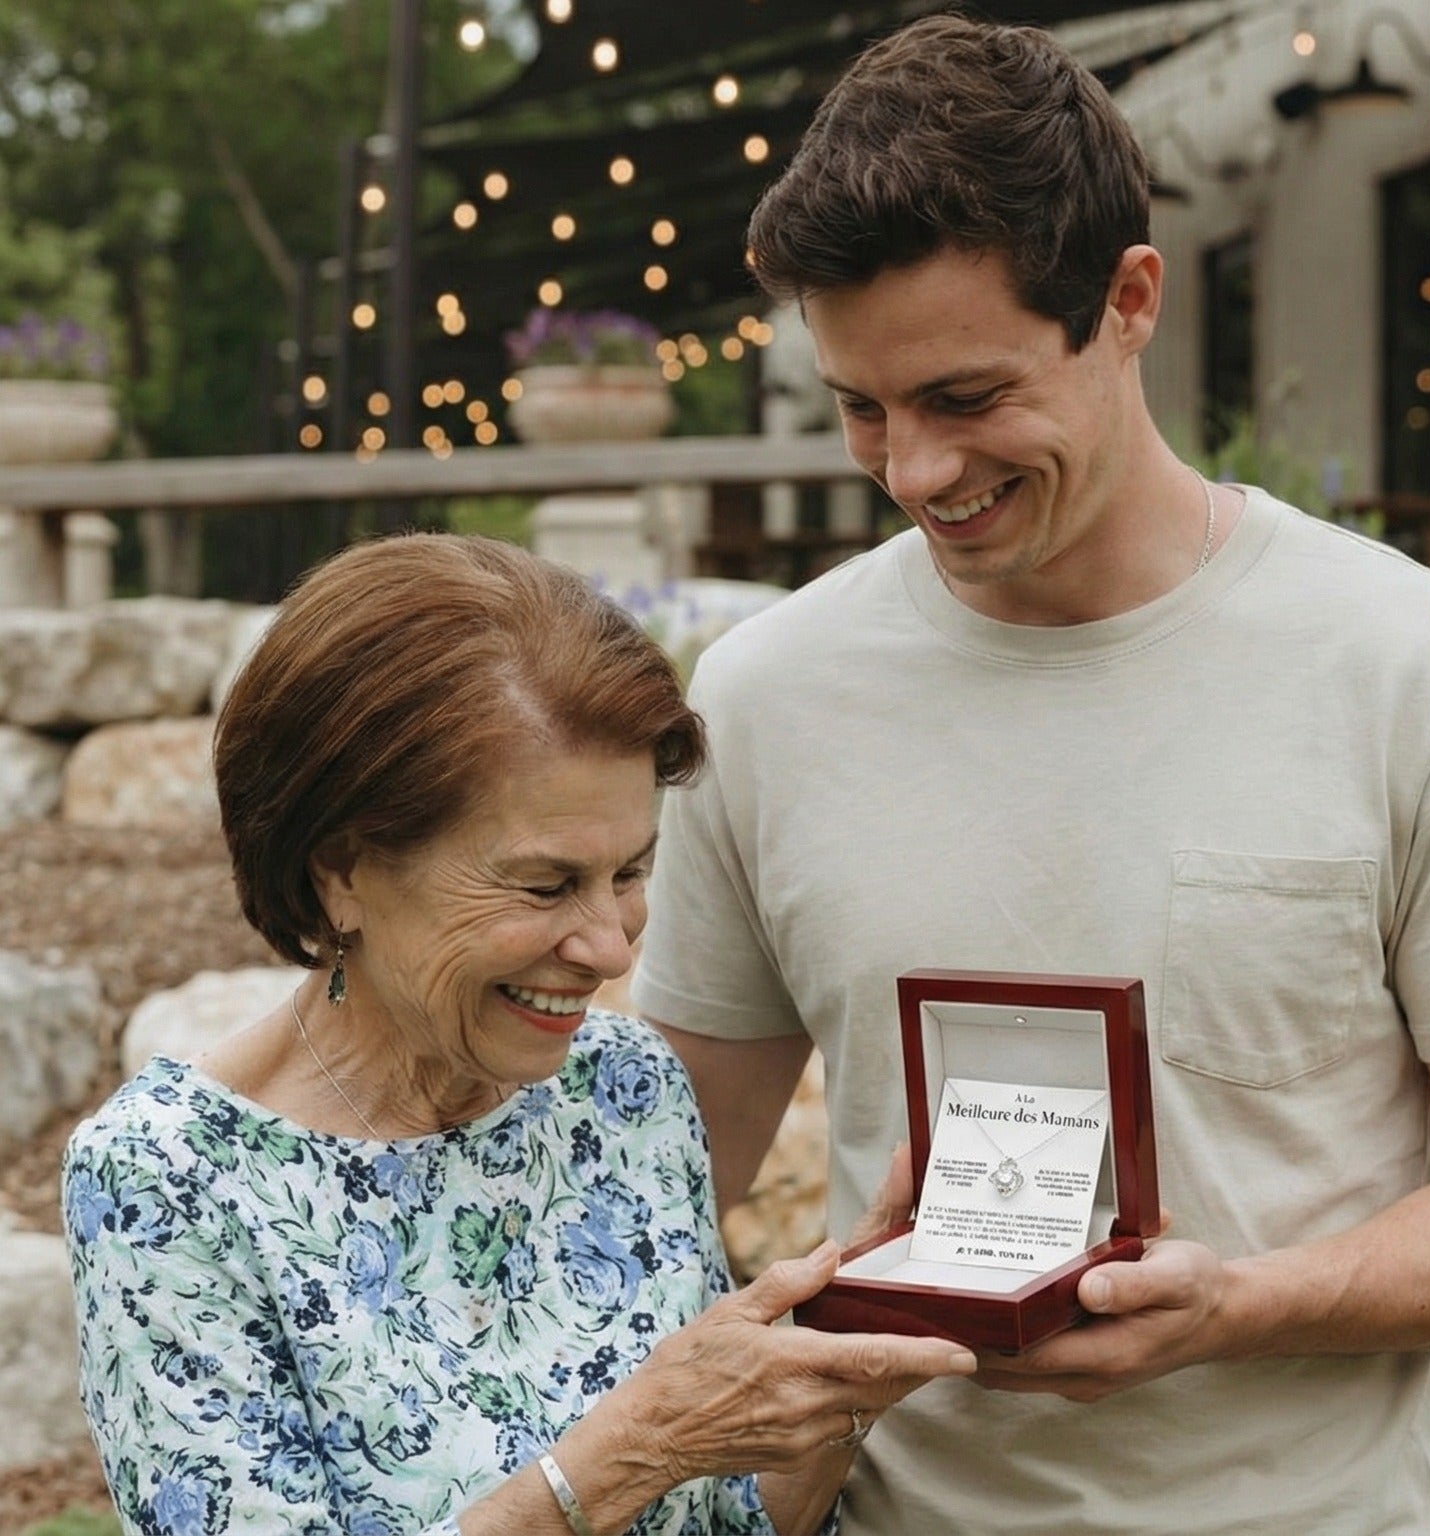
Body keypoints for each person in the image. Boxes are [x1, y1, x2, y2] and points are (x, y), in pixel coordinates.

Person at [630, 14, 1430, 1535]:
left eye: (967, 401)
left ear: (1128, 302)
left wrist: (1242, 1304)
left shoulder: (1424, 671)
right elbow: (655, 1189)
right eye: (865, 407)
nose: (916, 472)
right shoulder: (766, 698)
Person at [60, 532, 975, 1536]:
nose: (610, 948)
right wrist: (625, 1455)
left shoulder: (623, 1087)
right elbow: (645, 1453)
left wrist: (853, 1355)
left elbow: (726, 1522)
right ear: (341, 870)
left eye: (630, 873)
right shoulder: (170, 1179)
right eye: (546, 885)